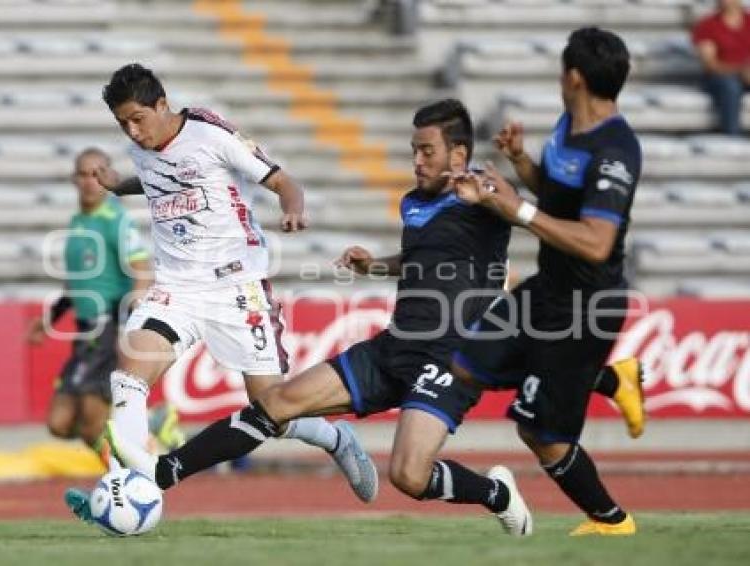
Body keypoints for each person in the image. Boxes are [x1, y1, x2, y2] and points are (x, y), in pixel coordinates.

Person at [105, 98, 539, 536]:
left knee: (409, 476)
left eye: (427, 151)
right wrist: (376, 266)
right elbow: (426, 258)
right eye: (413, 150)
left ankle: (496, 494)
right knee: (274, 404)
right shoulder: (414, 203)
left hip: (451, 358)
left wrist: (510, 174)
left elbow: (533, 213)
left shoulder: (484, 195)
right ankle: (162, 475)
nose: (416, 161)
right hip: (394, 347)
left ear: (458, 155)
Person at [65, 63, 378, 521]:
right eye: (122, 124)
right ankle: (122, 492)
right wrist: (119, 185)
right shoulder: (142, 148)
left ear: (162, 105)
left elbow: (282, 180)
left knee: (273, 410)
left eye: (137, 118)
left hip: (236, 286)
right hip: (175, 287)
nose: (132, 131)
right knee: (128, 379)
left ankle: (334, 438)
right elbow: (158, 179)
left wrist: (293, 210)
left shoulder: (211, 134)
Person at [449, 27, 643, 536]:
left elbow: (597, 241)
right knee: (468, 362)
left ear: (573, 77)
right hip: (547, 289)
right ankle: (609, 379)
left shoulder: (616, 150)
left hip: (584, 309)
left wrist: (520, 208)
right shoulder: (568, 125)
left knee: (539, 432)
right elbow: (559, 197)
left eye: (562, 69)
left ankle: (611, 521)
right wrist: (520, 164)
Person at [26, 148, 169, 462]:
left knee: (93, 426)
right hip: (84, 333)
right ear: (73, 179)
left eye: (97, 173)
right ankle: (151, 425)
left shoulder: (115, 219)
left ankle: (128, 486)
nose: (90, 181)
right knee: (59, 424)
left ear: (108, 177)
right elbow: (76, 281)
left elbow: (142, 270)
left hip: (107, 329)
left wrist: (129, 325)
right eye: (84, 174)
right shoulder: (78, 221)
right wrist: (49, 319)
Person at [692, 0, 750, 136]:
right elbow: (710, 64)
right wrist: (741, 70)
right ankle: (732, 138)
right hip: (720, 77)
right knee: (730, 87)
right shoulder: (708, 25)